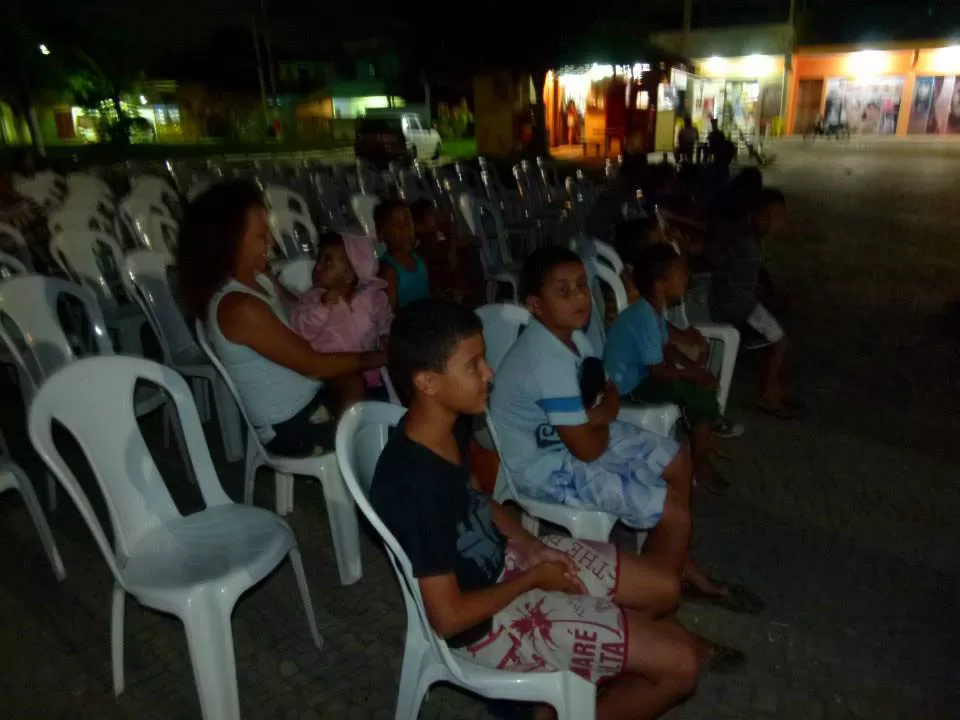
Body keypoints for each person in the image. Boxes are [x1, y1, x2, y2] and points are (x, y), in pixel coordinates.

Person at [371, 299, 744, 720]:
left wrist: (532, 546)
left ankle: (569, 685)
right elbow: (448, 618)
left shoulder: (444, 425)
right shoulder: (414, 486)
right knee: (681, 667)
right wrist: (533, 580)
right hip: (483, 625)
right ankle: (558, 699)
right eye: (473, 365)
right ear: (428, 382)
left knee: (665, 587)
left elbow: (483, 503)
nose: (489, 373)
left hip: (512, 564)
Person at [491, 247, 762, 612]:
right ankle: (658, 602)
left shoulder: (576, 336)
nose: (580, 297)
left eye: (582, 286)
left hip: (581, 435)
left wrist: (599, 418)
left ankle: (668, 568)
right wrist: (599, 419)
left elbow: (611, 391)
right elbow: (587, 450)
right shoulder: (545, 361)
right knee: (675, 513)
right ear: (536, 305)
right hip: (545, 466)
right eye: (564, 290)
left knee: (678, 461)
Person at [176, 181, 385, 456]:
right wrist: (382, 355)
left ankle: (363, 457)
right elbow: (315, 365)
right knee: (384, 414)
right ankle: (359, 465)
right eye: (261, 237)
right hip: (292, 424)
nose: (271, 243)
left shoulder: (260, 279)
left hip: (309, 394)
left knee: (369, 389)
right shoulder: (237, 306)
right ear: (228, 242)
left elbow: (300, 309)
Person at [604, 244, 742, 497]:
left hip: (639, 378)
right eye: (680, 274)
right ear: (660, 284)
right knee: (695, 392)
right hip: (625, 388)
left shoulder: (651, 311)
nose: (686, 278)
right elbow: (657, 371)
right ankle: (700, 462)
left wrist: (693, 367)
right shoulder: (644, 317)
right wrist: (693, 374)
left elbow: (666, 346)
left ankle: (706, 432)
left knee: (697, 387)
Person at [709, 187, 797, 418]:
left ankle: (774, 389)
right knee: (780, 343)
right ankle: (768, 395)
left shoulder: (749, 239)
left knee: (780, 341)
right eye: (777, 217)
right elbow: (733, 280)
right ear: (760, 216)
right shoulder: (746, 243)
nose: (780, 222)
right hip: (738, 307)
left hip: (740, 301)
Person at [289, 232, 392, 411]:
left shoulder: (372, 297)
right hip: (335, 371)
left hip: (371, 366)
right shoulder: (312, 298)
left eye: (328, 262)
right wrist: (321, 309)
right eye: (318, 260)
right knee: (352, 388)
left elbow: (386, 316)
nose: (318, 266)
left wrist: (385, 333)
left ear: (350, 273)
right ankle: (347, 433)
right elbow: (300, 328)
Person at [410, 198, 483, 307]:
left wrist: (453, 242)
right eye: (431, 213)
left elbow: (473, 241)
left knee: (469, 251)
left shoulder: (439, 234)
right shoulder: (420, 244)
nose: (437, 215)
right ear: (420, 223)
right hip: (438, 290)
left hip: (451, 281)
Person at [375, 198, 430, 309]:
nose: (405, 229)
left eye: (408, 222)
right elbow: (389, 315)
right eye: (397, 224)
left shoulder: (420, 260)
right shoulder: (388, 271)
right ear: (382, 233)